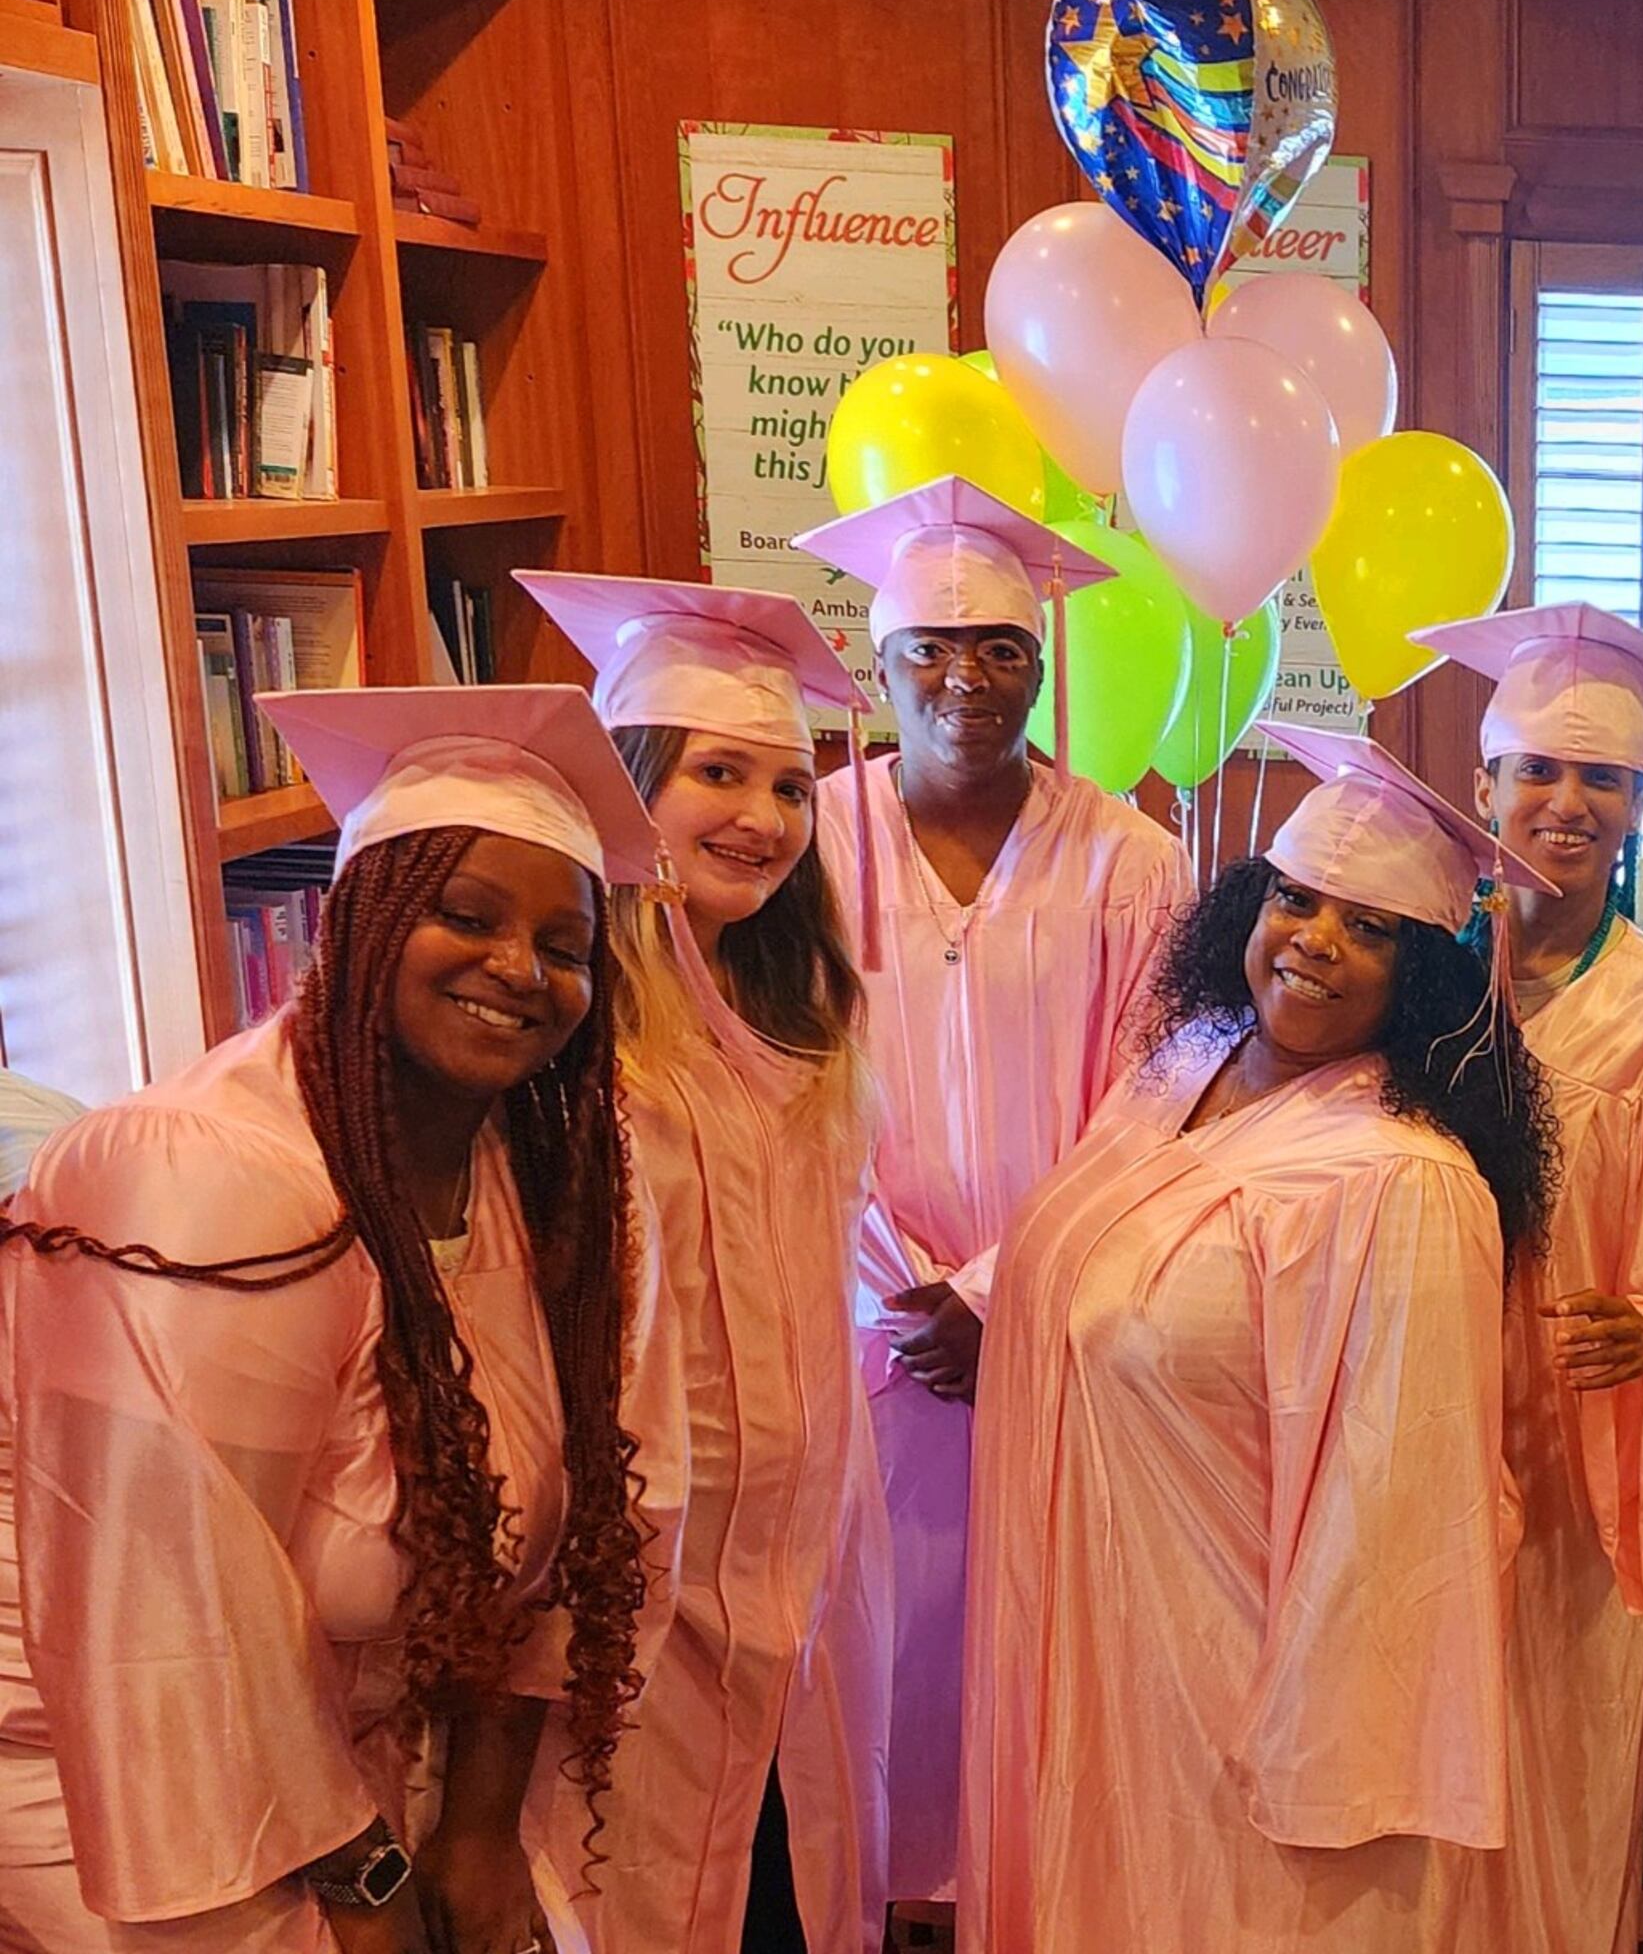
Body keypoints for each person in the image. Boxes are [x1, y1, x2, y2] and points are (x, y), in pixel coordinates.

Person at [0, 686, 670, 1954]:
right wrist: (364, 1884)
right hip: (112, 1762)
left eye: (567, 946)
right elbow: (178, 1615)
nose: (521, 970)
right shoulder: (199, 1178)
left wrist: (474, 1829)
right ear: (358, 923)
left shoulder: (545, 1179)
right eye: (465, 918)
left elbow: (589, 1503)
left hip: (357, 1738)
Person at [962, 726, 1561, 1952]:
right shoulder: (1189, 1060)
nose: (1315, 942)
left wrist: (1323, 1777)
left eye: (1370, 927)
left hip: (1229, 1712)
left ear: (1427, 977)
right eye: (1295, 897)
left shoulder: (1403, 1184)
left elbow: (1394, 1531)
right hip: (1085, 1640)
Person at [786, 479, 1190, 1910]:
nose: (967, 679)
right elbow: (773, 1081)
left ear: (1044, 662)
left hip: (1062, 1329)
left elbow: (1163, 1101)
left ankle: (1023, 1903)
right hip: (858, 1331)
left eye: (1002, 649)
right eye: (932, 649)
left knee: (1034, 1638)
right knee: (873, 1642)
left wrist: (996, 1293)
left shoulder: (1134, 862)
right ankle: (877, 1904)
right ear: (881, 665)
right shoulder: (804, 845)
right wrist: (900, 1294)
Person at [514, 573, 884, 1954]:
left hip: (789, 1567)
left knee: (769, 1876)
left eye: (790, 787)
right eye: (717, 773)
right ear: (627, 793)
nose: (765, 820)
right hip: (632, 1573)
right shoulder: (574, 1034)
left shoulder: (797, 1015)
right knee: (631, 1880)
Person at [1413, 605, 1643, 1954]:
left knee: (1563, 1754)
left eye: (1605, 779)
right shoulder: (1422, 992)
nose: (1568, 805)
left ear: (1640, 803)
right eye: (1540, 771)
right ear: (1484, 785)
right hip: (1422, 1431)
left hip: (1577, 1462)